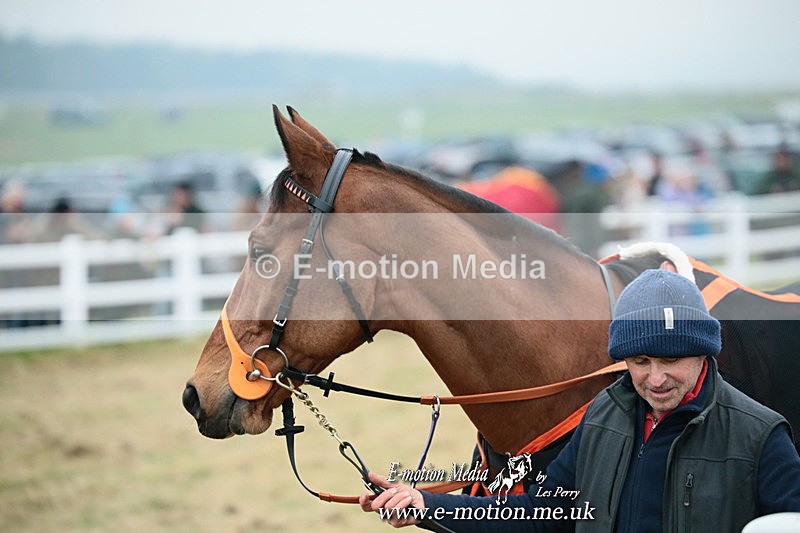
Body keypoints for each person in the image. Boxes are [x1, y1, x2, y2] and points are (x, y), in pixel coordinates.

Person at [360, 269, 800, 532]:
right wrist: (425, 505)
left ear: (704, 352)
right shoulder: (601, 417)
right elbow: (538, 512)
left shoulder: (761, 437)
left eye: (671, 360)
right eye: (641, 360)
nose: (656, 378)